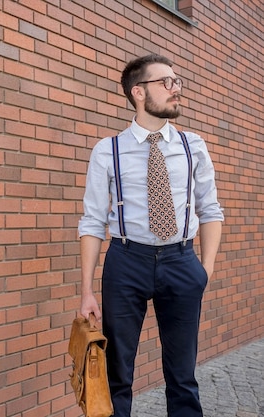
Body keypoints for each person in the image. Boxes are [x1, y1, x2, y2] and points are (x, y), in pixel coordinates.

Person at [78, 54, 223, 417]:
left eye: (178, 82)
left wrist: (203, 269)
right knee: (117, 374)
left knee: (183, 375)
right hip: (127, 262)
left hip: (182, 261)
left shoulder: (194, 147)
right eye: (167, 82)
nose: (177, 90)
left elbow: (211, 210)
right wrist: (85, 291)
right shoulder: (107, 151)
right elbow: (93, 221)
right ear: (138, 92)